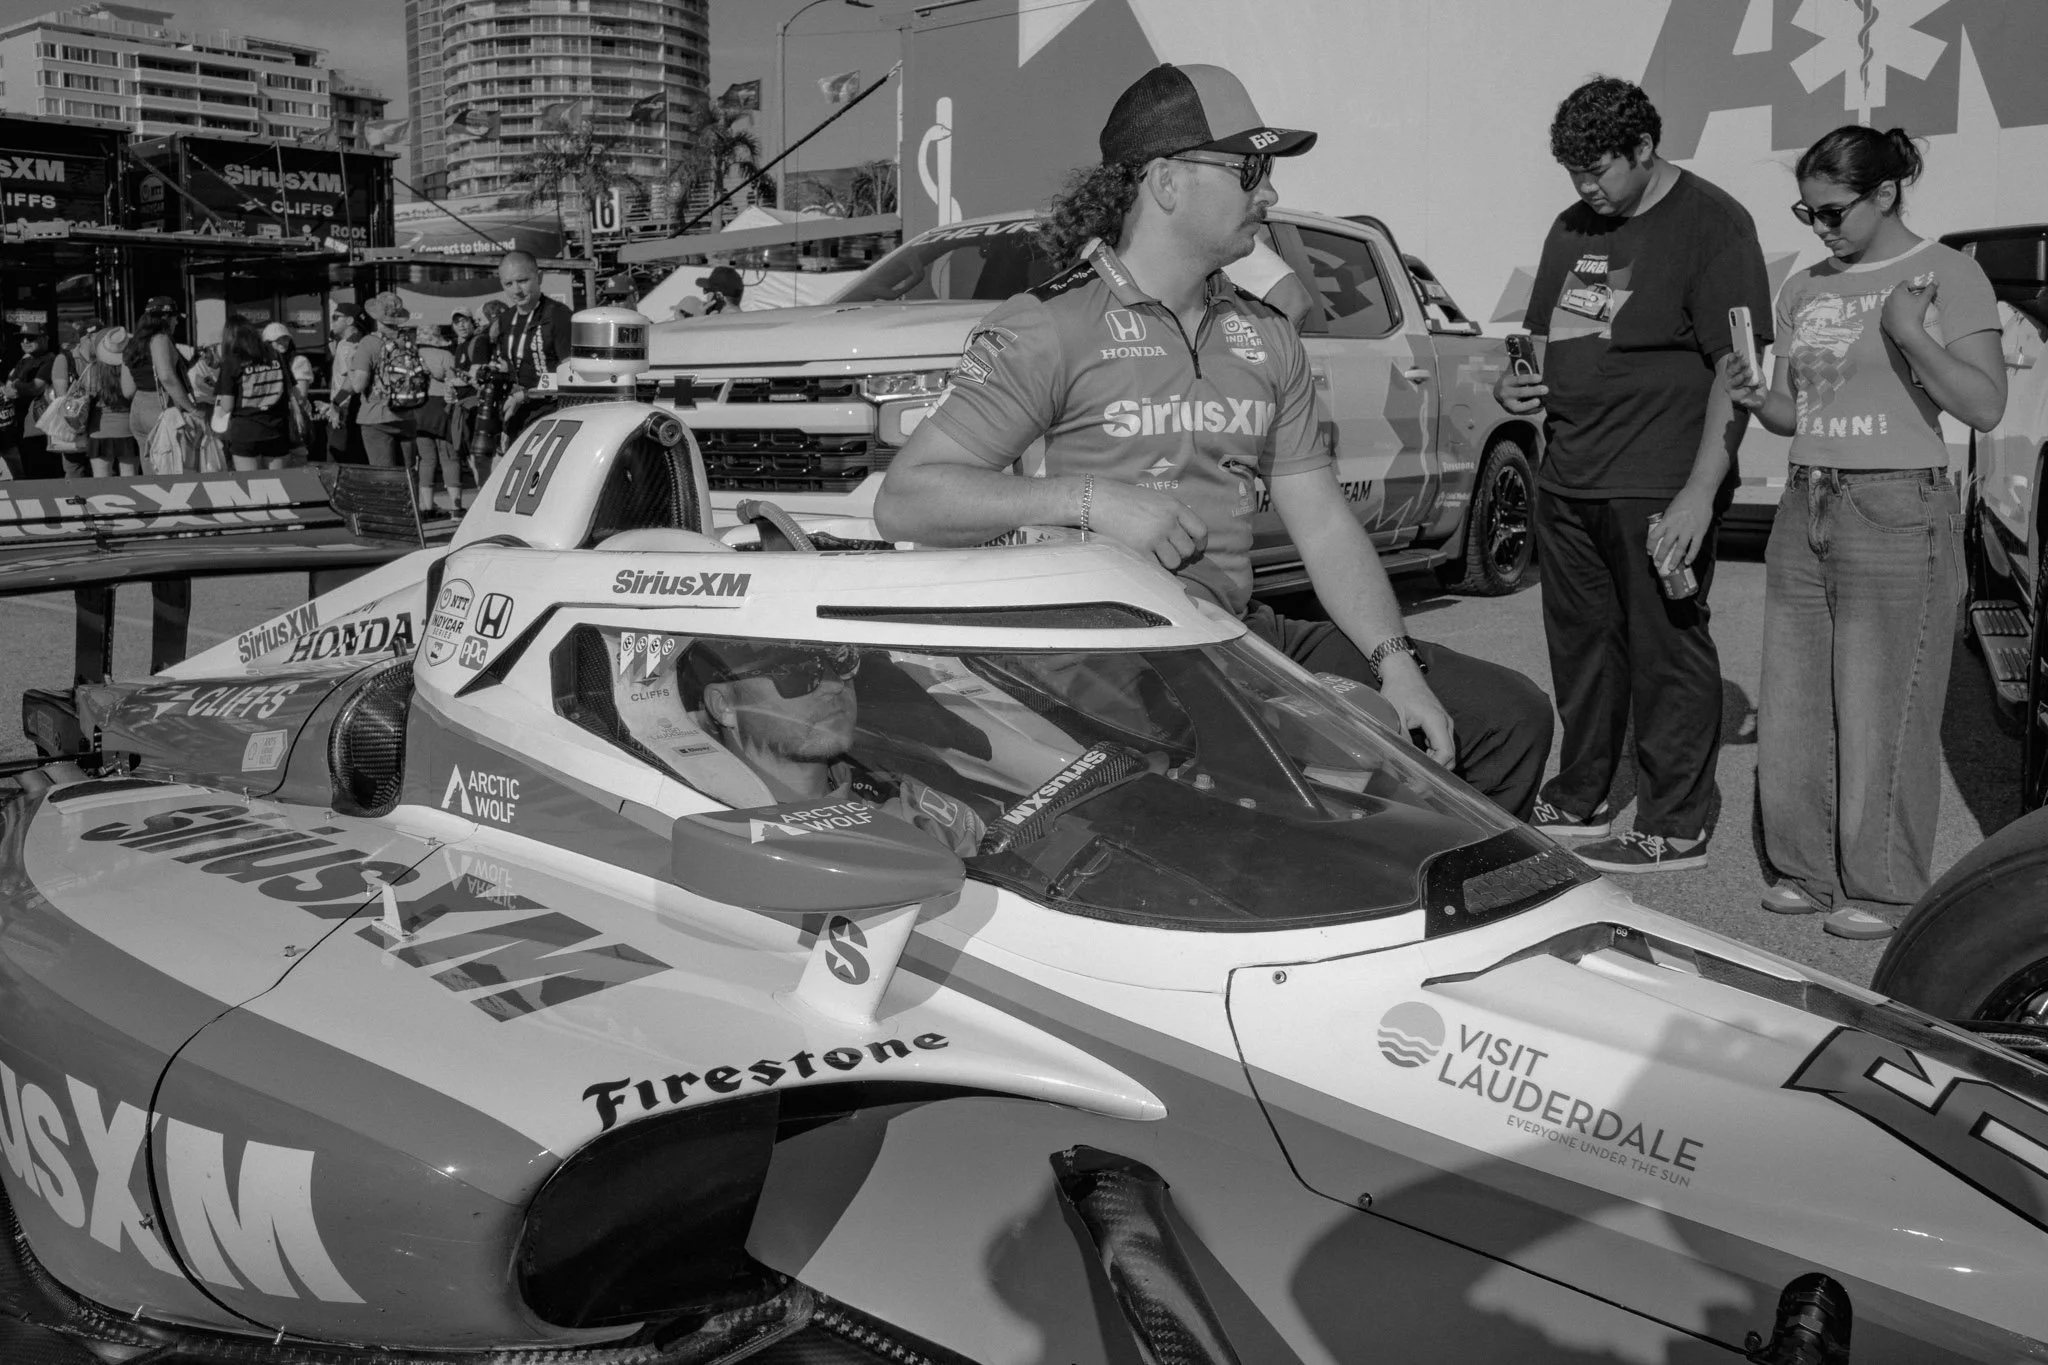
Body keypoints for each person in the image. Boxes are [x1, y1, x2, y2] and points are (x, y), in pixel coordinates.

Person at [875, 62, 1552, 820]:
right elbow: (907, 500)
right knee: (1280, 767)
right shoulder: (1046, 325)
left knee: (1508, 717)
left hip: (1233, 633)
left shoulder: (1263, 334)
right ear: (1166, 181)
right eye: (1250, 168)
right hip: (1106, 654)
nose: (1270, 193)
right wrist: (1090, 500)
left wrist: (1399, 666)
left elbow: (1324, 524)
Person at [1726, 127, 2006, 940]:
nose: (1817, 227)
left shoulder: (1948, 274)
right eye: (1805, 211)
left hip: (1897, 505)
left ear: (1885, 194)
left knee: (1885, 704)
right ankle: (1806, 871)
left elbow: (1984, 405)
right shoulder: (1806, 285)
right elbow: (1794, 412)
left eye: (1832, 211)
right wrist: (1752, 394)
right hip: (1807, 496)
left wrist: (1912, 333)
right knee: (1795, 701)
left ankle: (1882, 889)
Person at [1493, 76, 1770, 872]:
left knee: (1666, 652)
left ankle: (1675, 821)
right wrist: (1518, 380)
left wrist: (1697, 492)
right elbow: (1545, 336)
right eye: (1574, 175)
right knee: (1582, 647)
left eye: (1601, 172)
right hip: (1570, 476)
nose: (1587, 190)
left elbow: (1737, 369)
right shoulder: (1575, 225)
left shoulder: (1713, 224)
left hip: (1660, 483)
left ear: (1645, 149)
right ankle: (1579, 793)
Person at [680, 638, 985, 857]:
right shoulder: (697, 826)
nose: (835, 684)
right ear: (725, 707)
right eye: (797, 671)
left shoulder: (908, 807)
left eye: (841, 662)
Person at [493, 250, 572, 440]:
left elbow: (570, 376)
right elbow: (511, 365)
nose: (516, 290)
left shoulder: (558, 315)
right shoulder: (505, 320)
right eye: (509, 284)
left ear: (540, 277)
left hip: (552, 415)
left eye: (522, 281)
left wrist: (526, 395)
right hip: (516, 414)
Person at [346, 292, 420, 470]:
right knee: (408, 474)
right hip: (406, 415)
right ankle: (411, 498)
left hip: (376, 416)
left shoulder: (369, 343)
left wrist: (350, 364)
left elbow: (358, 385)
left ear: (376, 317)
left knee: (385, 475)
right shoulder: (409, 341)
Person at [122, 298, 200, 464]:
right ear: (165, 318)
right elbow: (166, 377)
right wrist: (191, 409)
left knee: (150, 470)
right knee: (172, 467)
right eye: (175, 317)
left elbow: (127, 390)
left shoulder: (132, 343)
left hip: (138, 408)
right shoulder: (160, 339)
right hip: (162, 405)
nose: (177, 322)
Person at [214, 317, 291, 471]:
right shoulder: (275, 355)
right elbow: (290, 390)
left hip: (245, 431)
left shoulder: (232, 362)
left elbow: (227, 405)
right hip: (276, 429)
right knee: (277, 486)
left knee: (250, 487)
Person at [414, 323, 465, 516]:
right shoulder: (445, 356)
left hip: (418, 408)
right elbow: (454, 384)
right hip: (441, 407)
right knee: (449, 457)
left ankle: (426, 507)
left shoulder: (412, 356)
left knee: (426, 459)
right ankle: (456, 507)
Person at [2, 324, 57, 479]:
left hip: (42, 431)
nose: (25, 341)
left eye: (31, 337)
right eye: (22, 338)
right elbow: (8, 389)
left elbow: (35, 388)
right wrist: (15, 386)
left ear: (44, 338)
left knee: (43, 476)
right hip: (23, 430)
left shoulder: (51, 360)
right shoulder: (25, 360)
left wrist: (17, 385)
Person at [262, 322, 316, 466]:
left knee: (298, 461)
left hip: (291, 421)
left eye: (285, 338)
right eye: (277, 340)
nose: (283, 343)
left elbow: (301, 396)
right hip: (270, 424)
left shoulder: (298, 361)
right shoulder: (261, 365)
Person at [86, 326, 138, 476]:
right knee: (130, 481)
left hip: (99, 429)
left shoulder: (93, 370)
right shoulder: (132, 369)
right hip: (128, 429)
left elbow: (87, 395)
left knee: (101, 483)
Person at [325, 300, 368, 463]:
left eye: (336, 317)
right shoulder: (358, 342)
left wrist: (336, 406)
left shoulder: (347, 345)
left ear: (349, 321)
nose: (332, 321)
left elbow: (350, 380)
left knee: (336, 459)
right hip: (348, 408)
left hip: (343, 410)